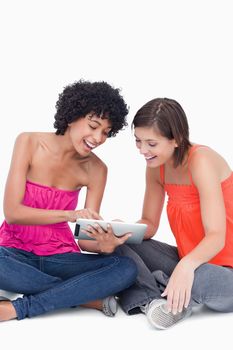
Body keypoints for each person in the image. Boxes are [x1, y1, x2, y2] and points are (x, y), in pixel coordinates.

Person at [0, 80, 137, 322]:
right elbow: (12, 212)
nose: (98, 138)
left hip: (61, 257)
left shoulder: (97, 169)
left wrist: (104, 244)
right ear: (72, 116)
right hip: (12, 253)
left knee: (124, 268)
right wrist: (70, 215)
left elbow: (86, 240)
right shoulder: (29, 142)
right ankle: (82, 296)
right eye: (93, 126)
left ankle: (18, 308)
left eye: (106, 132)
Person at [113, 97, 233, 329]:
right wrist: (123, 230)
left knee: (199, 278)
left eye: (151, 143)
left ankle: (169, 290)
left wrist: (186, 267)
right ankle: (152, 299)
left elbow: (217, 236)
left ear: (176, 139)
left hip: (223, 270)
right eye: (138, 141)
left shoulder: (202, 161)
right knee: (120, 244)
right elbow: (149, 224)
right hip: (188, 259)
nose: (143, 150)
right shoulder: (156, 167)